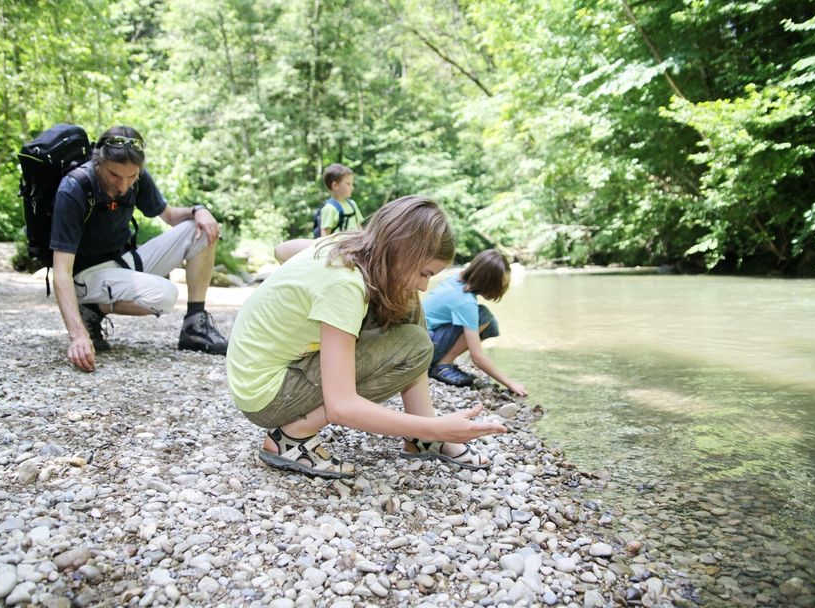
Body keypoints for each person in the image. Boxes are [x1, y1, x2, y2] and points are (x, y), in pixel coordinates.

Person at [227, 196, 507, 479]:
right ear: (400, 251)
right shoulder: (344, 285)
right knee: (416, 346)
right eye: (424, 273)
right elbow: (342, 407)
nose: (424, 285)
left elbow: (282, 249)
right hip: (267, 396)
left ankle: (424, 434)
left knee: (406, 299)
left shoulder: (348, 245)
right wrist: (438, 428)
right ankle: (291, 438)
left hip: (253, 373)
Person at [50, 126, 229, 372]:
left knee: (200, 229)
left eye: (131, 177)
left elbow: (169, 215)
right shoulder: (74, 188)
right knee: (165, 295)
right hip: (84, 276)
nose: (123, 186)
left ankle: (195, 326)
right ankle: (90, 309)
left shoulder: (136, 178)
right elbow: (61, 270)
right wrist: (78, 335)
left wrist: (199, 210)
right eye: (114, 175)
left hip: (121, 262)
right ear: (99, 162)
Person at [423, 249, 528, 396]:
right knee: (484, 316)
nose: (503, 289)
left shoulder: (456, 280)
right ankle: (442, 366)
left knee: (488, 323)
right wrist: (510, 383)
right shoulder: (465, 302)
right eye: (502, 284)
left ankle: (443, 363)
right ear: (489, 282)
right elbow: (477, 356)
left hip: (423, 343)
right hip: (425, 348)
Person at [316, 163, 363, 236]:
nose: (352, 187)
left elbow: (359, 226)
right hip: (338, 246)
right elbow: (325, 233)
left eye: (352, 184)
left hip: (354, 244)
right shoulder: (329, 208)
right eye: (348, 184)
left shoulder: (352, 204)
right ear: (335, 185)